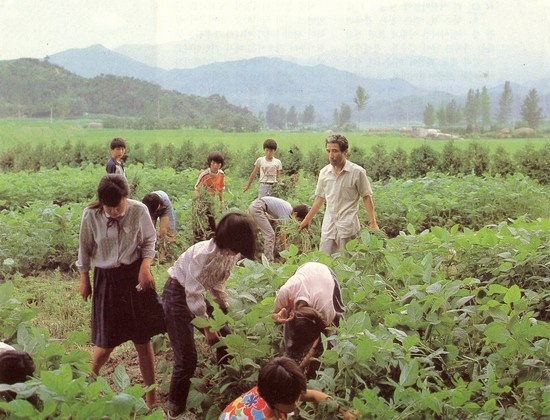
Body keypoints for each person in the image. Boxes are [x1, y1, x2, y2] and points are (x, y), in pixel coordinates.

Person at [76, 174, 165, 409]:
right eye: (109, 207)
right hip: (106, 279)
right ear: (101, 202)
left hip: (134, 277)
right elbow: (85, 248)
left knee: (142, 341)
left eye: (118, 206)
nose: (114, 211)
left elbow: (149, 241)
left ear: (126, 197)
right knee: (106, 343)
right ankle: (85, 386)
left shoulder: (139, 211)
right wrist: (84, 277)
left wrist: (145, 267)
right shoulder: (91, 216)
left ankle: (151, 398)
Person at [162, 212, 258, 419]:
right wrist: (207, 327)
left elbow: (217, 285)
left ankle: (226, 384)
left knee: (226, 337)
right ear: (230, 239)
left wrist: (226, 311)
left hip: (194, 294)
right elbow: (193, 292)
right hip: (176, 293)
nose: (237, 252)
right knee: (187, 357)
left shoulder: (231, 254)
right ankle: (174, 407)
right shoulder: (204, 254)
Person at [299, 134, 379, 255]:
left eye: (335, 151)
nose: (331, 155)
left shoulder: (357, 172)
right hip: (329, 227)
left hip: (347, 227)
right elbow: (320, 199)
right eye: (328, 151)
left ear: (345, 152)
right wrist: (307, 219)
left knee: (346, 263)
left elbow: (366, 198)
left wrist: (373, 223)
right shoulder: (324, 172)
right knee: (324, 262)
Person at [219, 356, 357, 419]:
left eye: (297, 397)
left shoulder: (272, 388)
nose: (296, 404)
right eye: (291, 402)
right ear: (274, 400)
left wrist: (341, 409)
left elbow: (314, 395)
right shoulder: (267, 416)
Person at [272, 262, 345, 371]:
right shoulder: (286, 292)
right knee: (290, 339)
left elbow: (322, 337)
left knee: (334, 333)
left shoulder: (326, 308)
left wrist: (304, 364)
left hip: (326, 276)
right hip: (304, 270)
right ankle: (290, 358)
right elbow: (275, 314)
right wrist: (278, 317)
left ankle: (331, 364)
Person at [248, 196, 308, 262]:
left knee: (273, 227)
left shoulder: (289, 209)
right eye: (298, 220)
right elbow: (283, 235)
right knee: (270, 235)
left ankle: (272, 252)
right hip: (257, 208)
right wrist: (286, 254)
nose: (296, 222)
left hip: (260, 206)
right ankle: (269, 261)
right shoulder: (286, 214)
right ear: (295, 214)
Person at [193, 151, 226, 242]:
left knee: (211, 218)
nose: (215, 165)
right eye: (213, 163)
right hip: (202, 200)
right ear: (210, 163)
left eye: (218, 163)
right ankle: (198, 238)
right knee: (200, 221)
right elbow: (196, 189)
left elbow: (220, 189)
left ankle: (213, 238)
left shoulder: (221, 174)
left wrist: (221, 202)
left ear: (221, 164)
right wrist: (199, 203)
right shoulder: (204, 174)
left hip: (211, 200)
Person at [142, 190, 177, 263]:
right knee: (151, 231)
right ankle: (151, 254)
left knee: (163, 232)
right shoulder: (147, 203)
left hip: (164, 209)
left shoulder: (165, 200)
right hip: (152, 210)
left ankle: (162, 254)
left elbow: (171, 217)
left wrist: (172, 235)